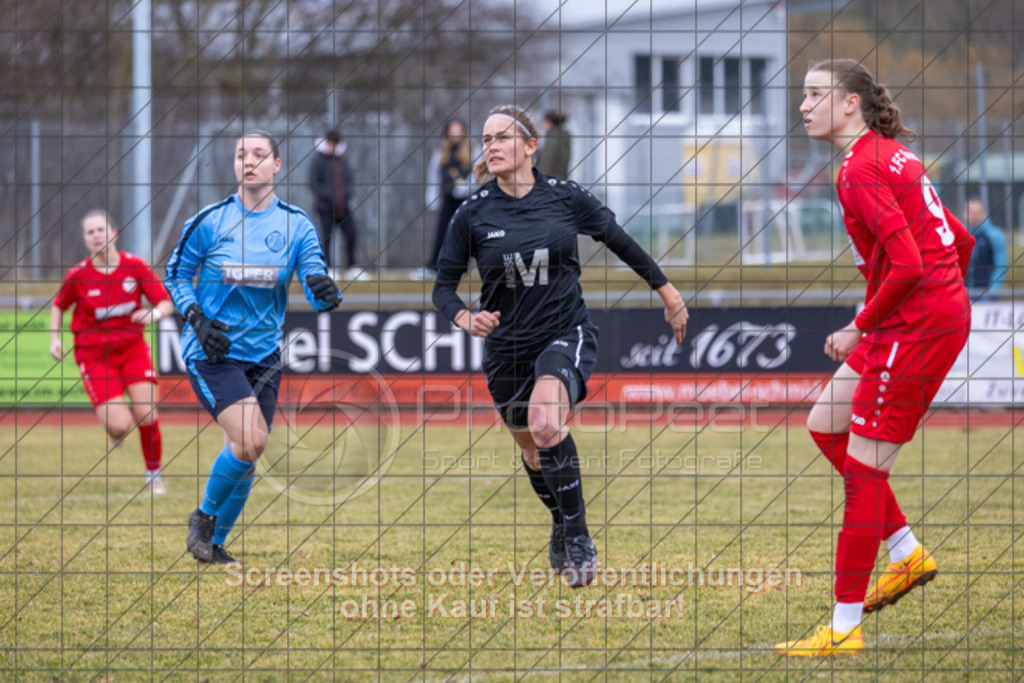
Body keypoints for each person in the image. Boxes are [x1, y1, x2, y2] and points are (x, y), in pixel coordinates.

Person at [432, 105, 688, 587]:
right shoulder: (472, 212)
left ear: (531, 146)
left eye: (502, 137)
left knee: (546, 423)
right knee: (533, 452)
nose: (490, 146)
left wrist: (668, 293)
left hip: (563, 332)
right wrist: (464, 316)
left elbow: (620, 241)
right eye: (486, 139)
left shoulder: (566, 198)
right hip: (505, 349)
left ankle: (579, 536)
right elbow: (442, 287)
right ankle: (560, 521)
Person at [776, 59, 974, 657]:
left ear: (849, 104)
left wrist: (866, 325)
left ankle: (842, 629)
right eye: (803, 95)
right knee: (824, 425)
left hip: (914, 324)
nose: (804, 105)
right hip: (920, 317)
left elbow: (911, 266)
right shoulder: (888, 154)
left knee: (864, 471)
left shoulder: (860, 168)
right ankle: (907, 553)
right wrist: (940, 305)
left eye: (815, 95)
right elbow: (957, 242)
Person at [166, 131, 341, 564]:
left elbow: (317, 287)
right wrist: (196, 318)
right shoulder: (210, 220)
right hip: (213, 353)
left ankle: (214, 544)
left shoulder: (296, 225)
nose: (249, 161)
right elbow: (174, 275)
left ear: (277, 165)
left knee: (250, 449)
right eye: (242, 154)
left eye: (259, 155)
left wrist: (326, 292)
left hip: (263, 356)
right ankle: (203, 519)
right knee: (250, 438)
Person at [50, 210, 175, 494]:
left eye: (101, 229)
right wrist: (54, 338)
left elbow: (166, 303)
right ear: (85, 240)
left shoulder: (135, 267)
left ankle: (154, 475)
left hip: (132, 350)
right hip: (94, 356)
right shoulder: (78, 275)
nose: (97, 235)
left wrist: (153, 314)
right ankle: (115, 430)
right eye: (90, 232)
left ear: (113, 233)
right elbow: (59, 304)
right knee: (119, 426)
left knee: (147, 414)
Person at [415, 117, 475, 280]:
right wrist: (432, 197)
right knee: (443, 232)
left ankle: (460, 269)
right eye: (452, 131)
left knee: (465, 236)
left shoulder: (472, 150)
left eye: (458, 131)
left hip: (467, 201)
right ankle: (433, 266)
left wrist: (465, 189)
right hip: (448, 199)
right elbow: (433, 176)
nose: (455, 135)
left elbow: (478, 175)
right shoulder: (441, 153)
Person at [308, 129, 368, 281]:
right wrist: (329, 196)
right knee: (326, 238)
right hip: (326, 208)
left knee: (351, 234)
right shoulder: (318, 160)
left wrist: (346, 194)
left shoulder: (342, 159)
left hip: (343, 207)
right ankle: (327, 268)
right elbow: (313, 183)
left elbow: (349, 179)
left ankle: (351, 267)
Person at [964, 197, 1008, 301]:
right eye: (971, 212)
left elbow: (1001, 266)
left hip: (987, 297)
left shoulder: (995, 236)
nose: (974, 215)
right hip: (963, 294)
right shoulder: (956, 235)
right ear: (964, 213)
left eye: (978, 212)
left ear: (984, 213)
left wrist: (993, 291)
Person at [535, 110, 572, 180]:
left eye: (544, 122)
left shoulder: (552, 140)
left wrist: (542, 182)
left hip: (551, 183)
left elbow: (546, 165)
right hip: (560, 181)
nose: (542, 125)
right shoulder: (562, 138)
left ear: (549, 122)